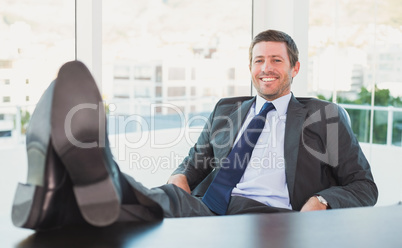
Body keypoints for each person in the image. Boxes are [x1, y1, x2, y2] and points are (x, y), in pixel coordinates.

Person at [12, 29, 378, 231]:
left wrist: (322, 200)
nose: (266, 68)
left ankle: (63, 197)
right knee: (164, 198)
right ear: (250, 67)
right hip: (210, 208)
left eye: (276, 60)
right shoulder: (228, 109)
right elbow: (196, 162)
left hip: (270, 218)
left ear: (295, 68)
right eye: (258, 60)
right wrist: (182, 175)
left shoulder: (322, 115)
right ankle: (68, 199)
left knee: (147, 205)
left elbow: (364, 185)